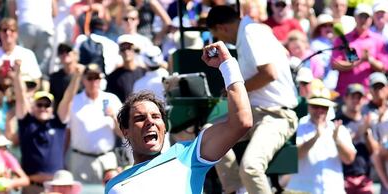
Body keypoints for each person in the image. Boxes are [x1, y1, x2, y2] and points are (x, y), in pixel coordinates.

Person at [105, 41, 252, 193]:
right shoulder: (115, 186)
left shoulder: (189, 154)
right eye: (140, 118)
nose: (150, 122)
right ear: (125, 130)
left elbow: (241, 122)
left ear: (164, 126)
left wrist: (227, 64)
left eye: (156, 116)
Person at [206, 5, 298, 194]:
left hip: (276, 115)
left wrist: (234, 87)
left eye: (217, 35)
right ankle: (237, 190)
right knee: (208, 134)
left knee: (250, 168)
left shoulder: (251, 32)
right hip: (254, 113)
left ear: (222, 28)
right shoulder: (252, 32)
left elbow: (269, 74)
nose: (219, 40)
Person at [57, 63, 122, 184]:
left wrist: (114, 117)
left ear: (101, 79)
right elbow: (63, 120)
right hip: (80, 159)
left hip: (107, 159)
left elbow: (123, 133)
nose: (93, 82)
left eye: (96, 77)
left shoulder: (111, 99)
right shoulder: (75, 101)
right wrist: (76, 76)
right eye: (89, 78)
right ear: (84, 80)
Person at [12, 60, 68, 194]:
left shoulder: (58, 123)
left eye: (47, 105)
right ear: (33, 106)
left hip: (55, 188)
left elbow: (68, 99)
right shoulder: (26, 122)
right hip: (31, 188)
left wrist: (77, 76)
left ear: (52, 108)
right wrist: (17, 73)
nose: (43, 108)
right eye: (39, 104)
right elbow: (20, 96)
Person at [286, 87, 356, 194]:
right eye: (315, 106)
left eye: (324, 107)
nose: (320, 110)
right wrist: (316, 136)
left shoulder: (338, 128)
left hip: (332, 189)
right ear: (308, 107)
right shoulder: (297, 126)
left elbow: (349, 159)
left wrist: (337, 140)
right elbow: (295, 156)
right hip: (302, 190)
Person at [331, 3, 388, 97]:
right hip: (345, 94)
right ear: (355, 17)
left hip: (368, 94)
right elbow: (335, 64)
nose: (363, 20)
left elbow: (384, 67)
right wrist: (359, 61)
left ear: (371, 19)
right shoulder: (343, 39)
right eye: (361, 16)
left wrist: (369, 59)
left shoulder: (378, 40)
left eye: (366, 17)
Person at [335, 83, 379, 193]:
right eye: (352, 97)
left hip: (365, 178)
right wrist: (359, 132)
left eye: (359, 97)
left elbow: (375, 151)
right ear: (345, 98)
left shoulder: (368, 121)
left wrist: (366, 133)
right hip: (342, 178)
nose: (356, 100)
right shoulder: (338, 122)